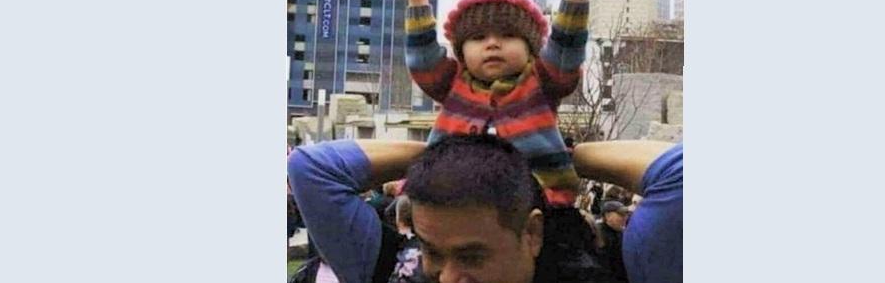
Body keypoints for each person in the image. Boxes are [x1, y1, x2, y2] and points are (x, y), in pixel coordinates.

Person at [288, 133, 682, 283]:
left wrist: (550, 155)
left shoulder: (609, 270)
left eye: (472, 256)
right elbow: (311, 168)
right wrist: (453, 153)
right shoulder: (387, 267)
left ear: (532, 233)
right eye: (431, 251)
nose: (447, 277)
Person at [394, 0, 600, 207]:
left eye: (508, 35)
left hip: (534, 204)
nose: (492, 43)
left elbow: (566, 46)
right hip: (451, 203)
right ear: (460, 50)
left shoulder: (542, 79)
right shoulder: (453, 82)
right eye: (478, 37)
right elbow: (422, 59)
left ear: (531, 49)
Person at [594, 200, 631, 279]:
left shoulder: (621, 233)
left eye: (626, 214)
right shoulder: (599, 234)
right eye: (621, 214)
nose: (625, 217)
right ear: (608, 216)